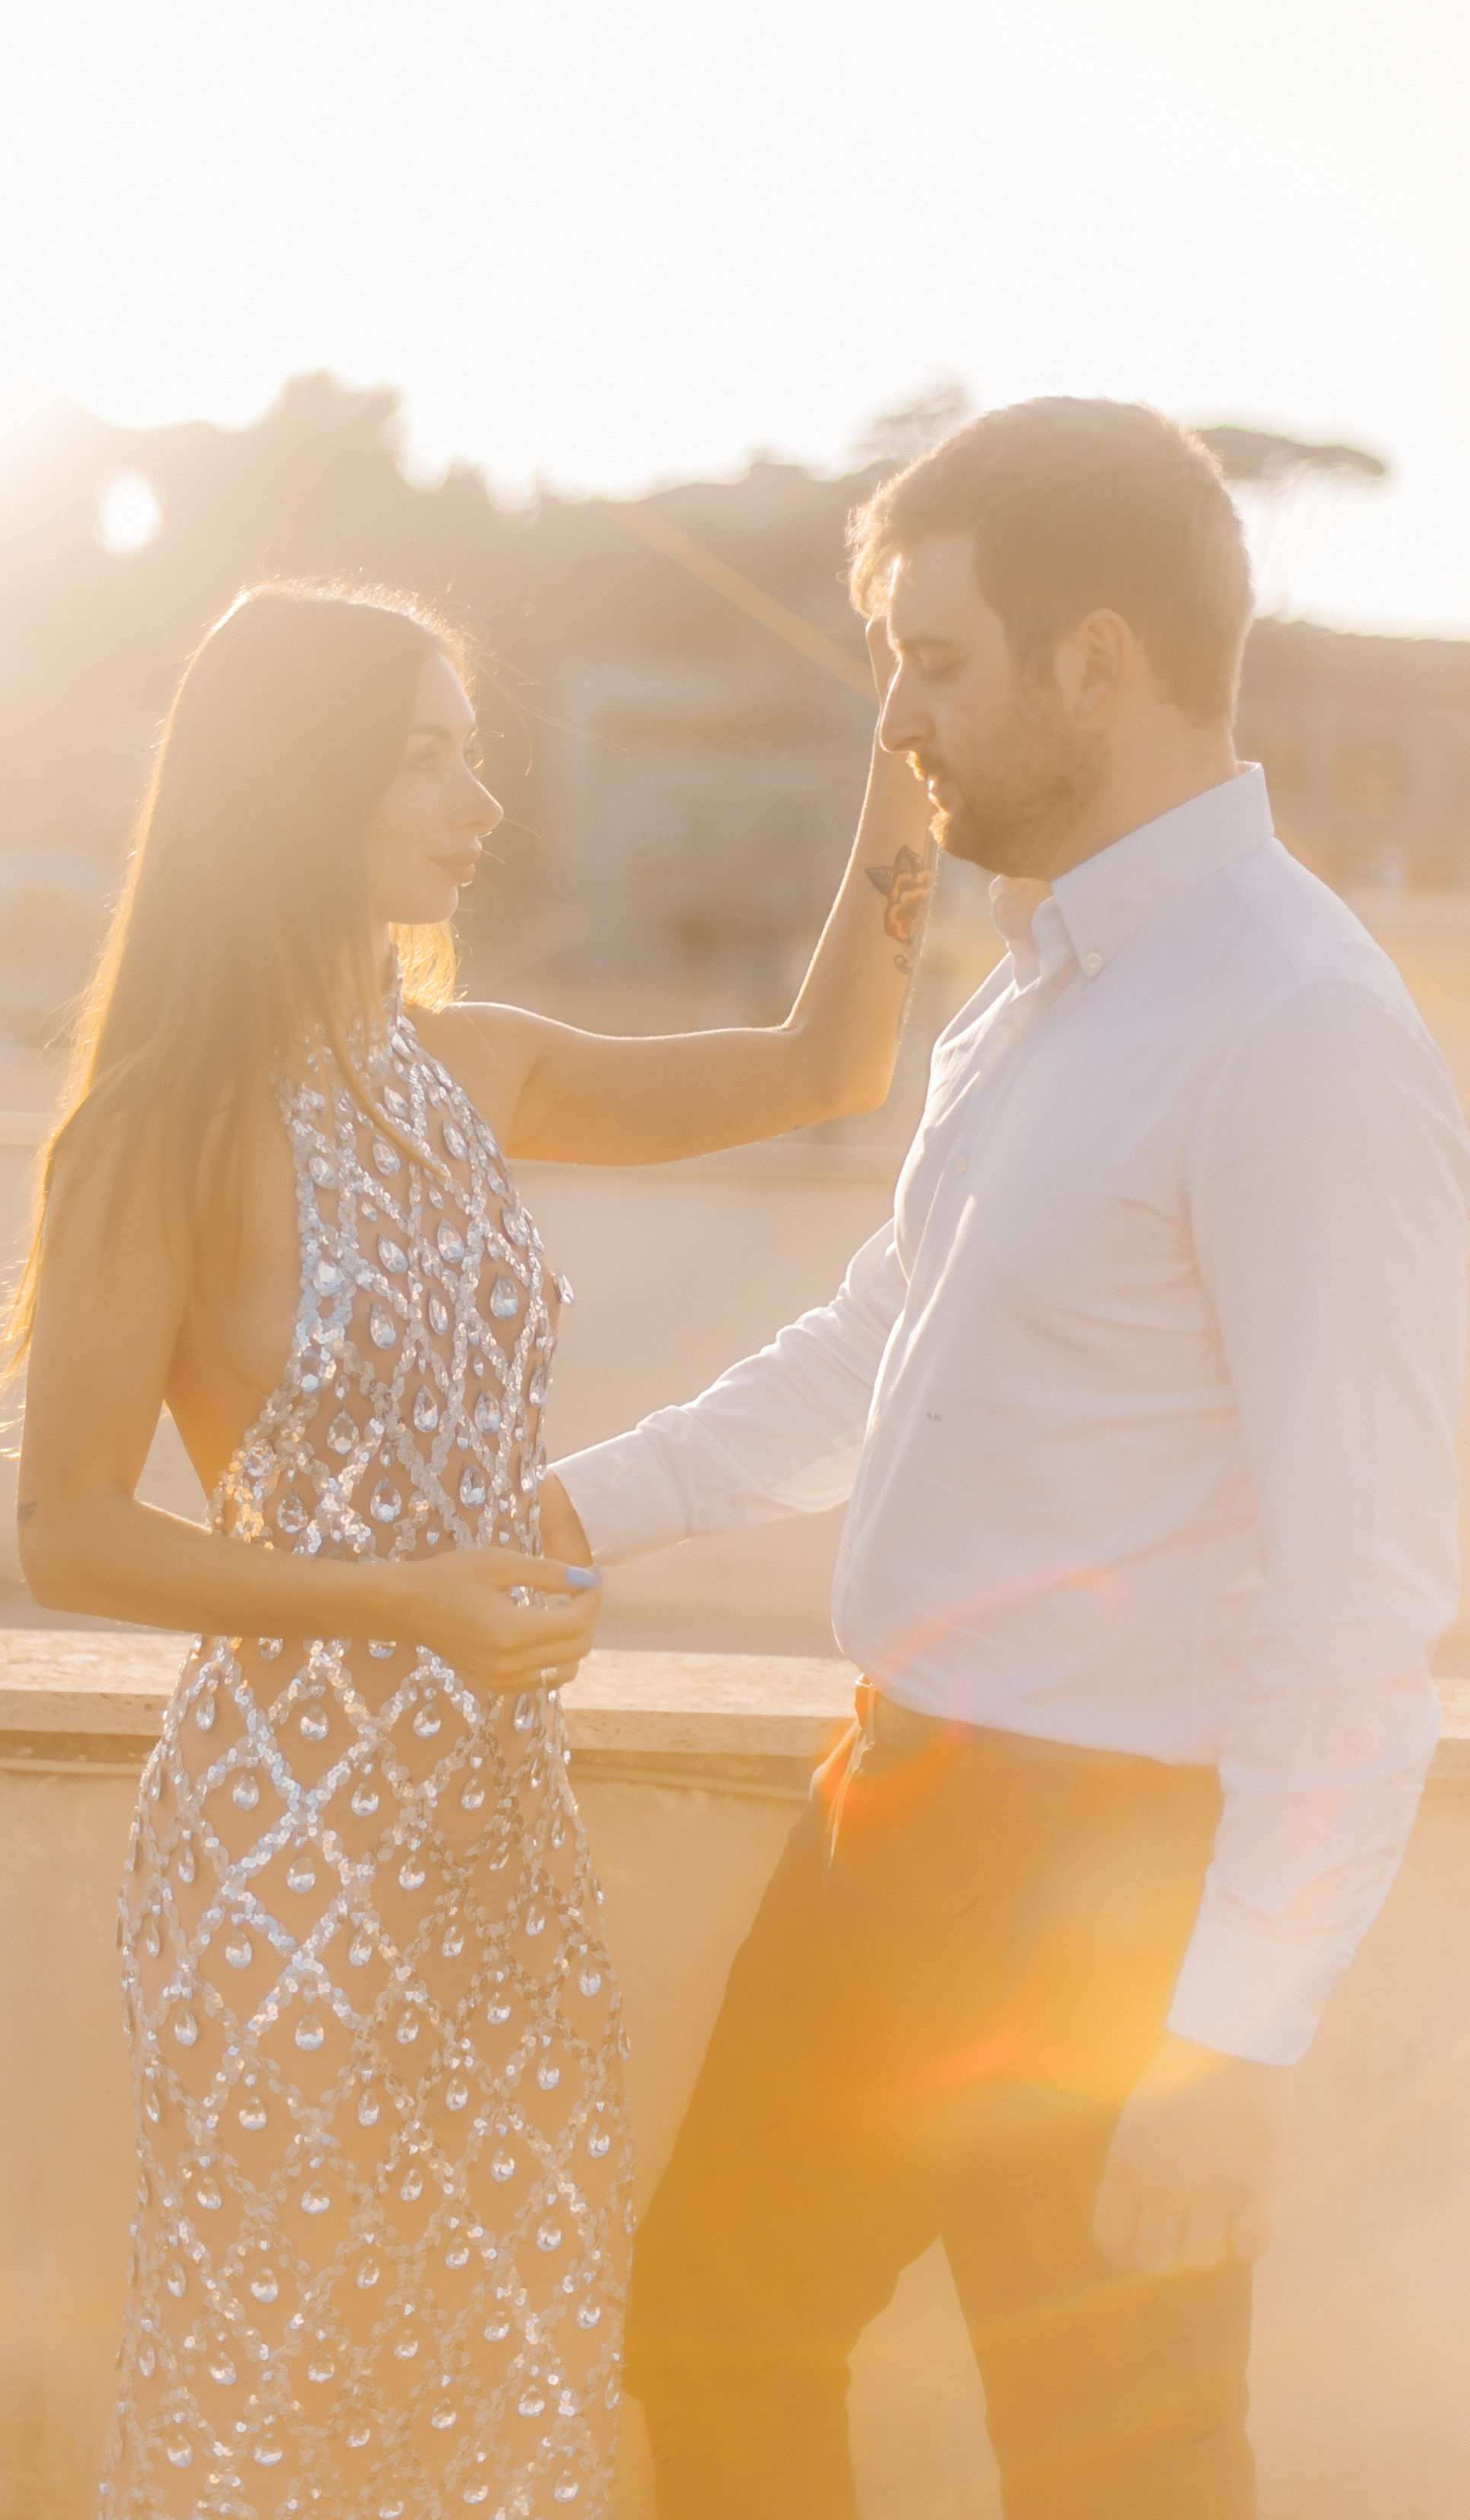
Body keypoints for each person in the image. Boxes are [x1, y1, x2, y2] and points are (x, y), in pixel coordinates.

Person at [542, 398, 1470, 2520]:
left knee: (1115, 2471)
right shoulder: (1034, 982)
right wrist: (580, 1513)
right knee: (712, 2316)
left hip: (1112, 1885)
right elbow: (898, 1339)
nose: (899, 723)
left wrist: (1232, 2046)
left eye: (936, 663)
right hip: (898, 1813)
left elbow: (1363, 1586)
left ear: (1097, 663)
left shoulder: (1300, 1034)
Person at [0, 574, 930, 2520]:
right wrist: (401, 1601)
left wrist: (901, 769)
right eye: (428, 756)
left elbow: (819, 1071)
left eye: (471, 754)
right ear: (298, 788)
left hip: (497, 1843)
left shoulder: (473, 1066)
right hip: (287, 1856)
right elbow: (68, 1534)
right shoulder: (152, 1128)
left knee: (506, 2371)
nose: (479, 802)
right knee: (276, 2376)